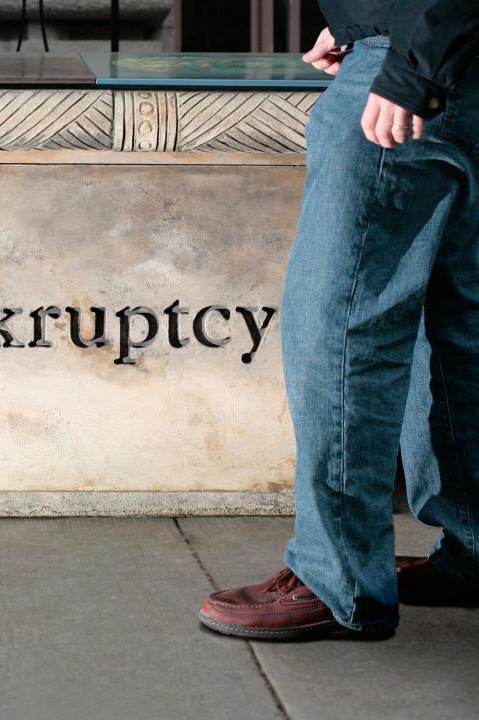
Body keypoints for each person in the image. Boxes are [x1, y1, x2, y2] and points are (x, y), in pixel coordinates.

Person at [199, 1, 479, 639]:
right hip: (447, 50)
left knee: (344, 328)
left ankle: (338, 580)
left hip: (417, 68)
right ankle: (473, 553)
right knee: (458, 327)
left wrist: (409, 57)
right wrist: (366, 19)